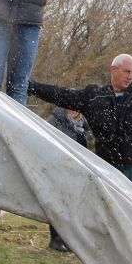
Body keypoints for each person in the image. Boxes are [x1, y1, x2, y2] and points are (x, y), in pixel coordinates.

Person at [28, 54, 132, 196]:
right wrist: (31, 86)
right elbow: (62, 94)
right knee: (108, 210)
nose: (130, 76)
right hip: (107, 169)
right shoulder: (94, 97)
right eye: (126, 71)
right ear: (113, 70)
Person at [45, 107, 90, 252]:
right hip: (59, 167)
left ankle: (70, 239)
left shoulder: (84, 123)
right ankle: (56, 239)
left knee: (74, 205)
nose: (73, 109)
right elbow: (45, 140)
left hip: (78, 170)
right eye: (69, 106)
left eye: (76, 106)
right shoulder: (55, 120)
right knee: (59, 204)